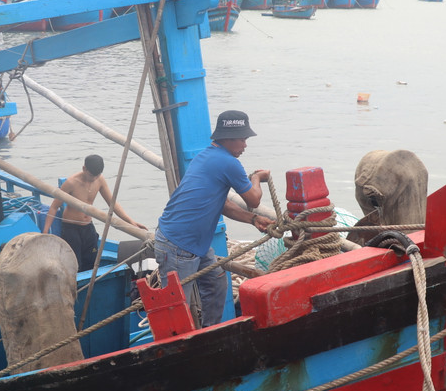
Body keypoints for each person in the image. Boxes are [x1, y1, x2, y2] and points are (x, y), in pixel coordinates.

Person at [154, 110, 273, 327]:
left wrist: (252, 219)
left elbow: (223, 204)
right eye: (243, 139)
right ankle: (179, 350)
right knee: (175, 309)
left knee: (217, 283)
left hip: (195, 244)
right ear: (228, 138)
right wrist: (256, 178)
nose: (245, 145)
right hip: (178, 245)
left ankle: (209, 332)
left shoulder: (206, 155)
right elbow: (254, 199)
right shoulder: (229, 163)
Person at [42, 154, 147, 272]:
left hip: (88, 227)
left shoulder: (99, 180)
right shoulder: (71, 183)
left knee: (91, 260)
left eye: (97, 176)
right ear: (84, 169)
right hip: (71, 228)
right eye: (91, 175)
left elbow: (113, 204)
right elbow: (54, 207)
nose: (94, 179)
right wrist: (45, 232)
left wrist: (132, 222)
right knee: (75, 264)